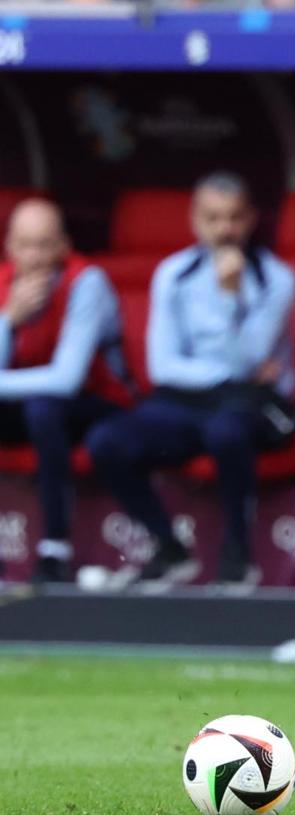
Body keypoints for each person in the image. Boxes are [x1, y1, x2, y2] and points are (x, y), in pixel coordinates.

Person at [86, 172, 295, 590]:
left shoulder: (277, 279)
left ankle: (238, 558)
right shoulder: (173, 273)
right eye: (213, 217)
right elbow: (163, 366)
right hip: (184, 402)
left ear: (251, 219)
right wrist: (224, 373)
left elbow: (248, 361)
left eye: (234, 218)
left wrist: (229, 295)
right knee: (107, 441)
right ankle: (168, 549)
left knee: (226, 431)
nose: (224, 229)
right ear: (195, 220)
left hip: (250, 405)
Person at [0, 198, 129, 583]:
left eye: (44, 245)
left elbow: (66, 379)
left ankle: (55, 546)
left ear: (63, 246)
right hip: (27, 405)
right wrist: (9, 321)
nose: (34, 257)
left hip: (99, 404)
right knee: (39, 407)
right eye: (24, 245)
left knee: (45, 407)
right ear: (9, 247)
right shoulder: (4, 284)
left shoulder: (87, 282)